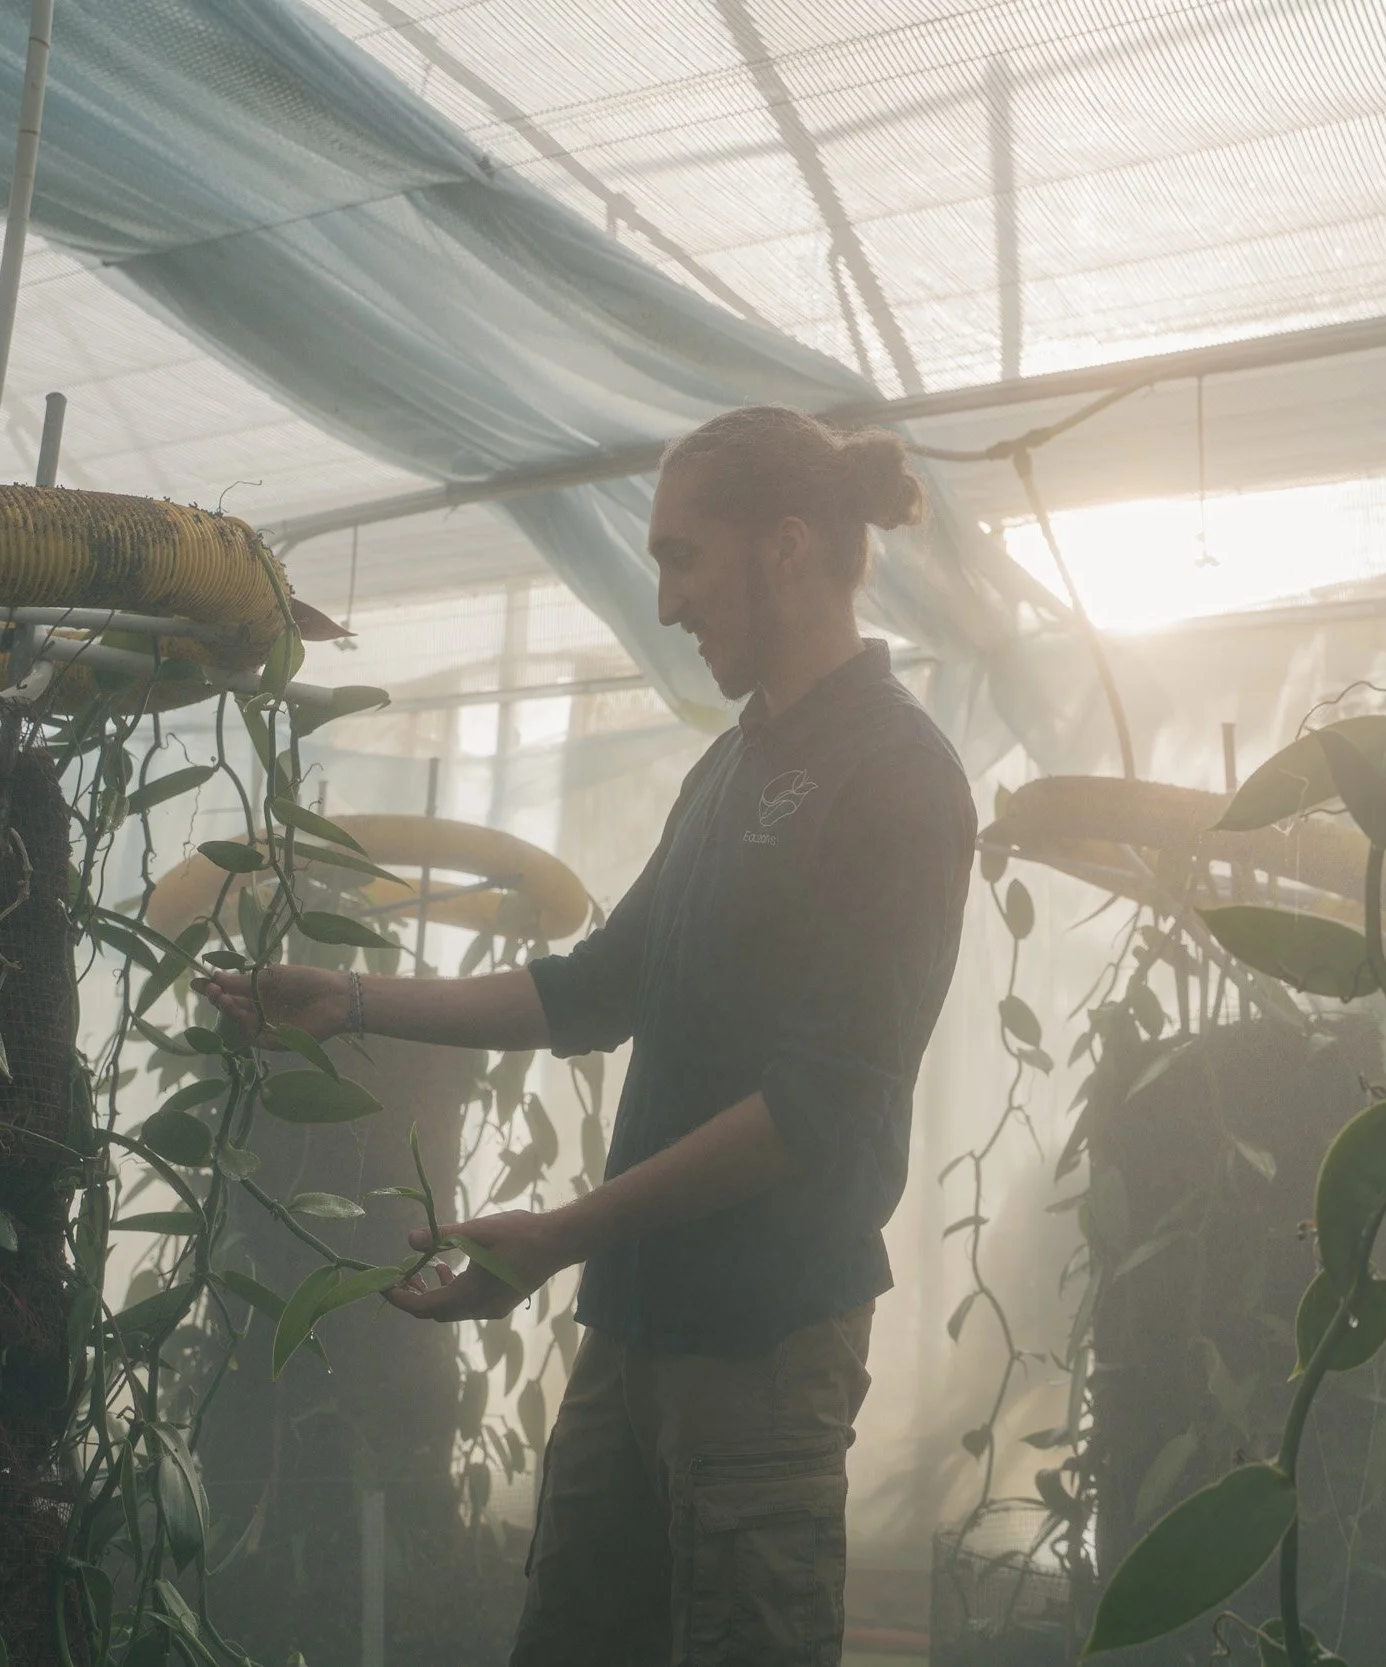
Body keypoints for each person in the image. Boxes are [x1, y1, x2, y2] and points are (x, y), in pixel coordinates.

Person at [198, 406, 976, 1666]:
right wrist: (346, 1001)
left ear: (786, 546)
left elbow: (820, 1102)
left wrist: (562, 1233)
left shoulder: (897, 773)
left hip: (763, 1337)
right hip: (636, 1325)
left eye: (683, 558)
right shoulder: (731, 767)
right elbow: (599, 987)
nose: (665, 601)